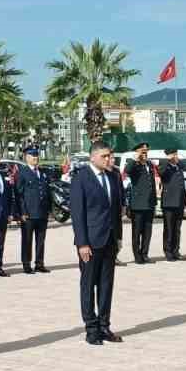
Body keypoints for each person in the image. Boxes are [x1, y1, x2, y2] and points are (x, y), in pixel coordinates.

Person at [71, 141, 124, 346]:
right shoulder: (81, 178)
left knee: (106, 285)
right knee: (88, 284)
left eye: (110, 155)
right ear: (92, 157)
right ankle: (91, 328)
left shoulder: (113, 176)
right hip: (90, 242)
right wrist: (82, 243)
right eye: (104, 156)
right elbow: (78, 214)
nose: (109, 159)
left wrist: (118, 237)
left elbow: (116, 210)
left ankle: (104, 325)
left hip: (109, 240)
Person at [14, 147, 49, 274]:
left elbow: (46, 192)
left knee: (41, 240)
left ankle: (39, 263)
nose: (36, 158)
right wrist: (22, 212)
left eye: (37, 156)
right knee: (27, 240)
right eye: (33, 156)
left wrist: (48, 210)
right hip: (28, 213)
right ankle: (26, 264)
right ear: (27, 158)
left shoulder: (42, 172)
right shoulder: (22, 173)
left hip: (42, 213)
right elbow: (19, 194)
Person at [124, 143, 156, 264]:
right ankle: (137, 256)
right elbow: (127, 171)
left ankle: (145, 254)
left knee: (148, 231)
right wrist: (135, 158)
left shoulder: (148, 164)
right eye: (142, 151)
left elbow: (151, 183)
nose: (145, 153)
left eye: (146, 151)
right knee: (137, 232)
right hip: (138, 204)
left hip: (149, 203)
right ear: (137, 152)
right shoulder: (134, 164)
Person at [157, 149, 186, 261]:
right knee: (169, 229)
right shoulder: (164, 165)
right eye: (173, 154)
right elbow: (161, 173)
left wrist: (184, 200)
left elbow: (185, 168)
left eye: (176, 154)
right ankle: (168, 251)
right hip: (169, 202)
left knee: (177, 229)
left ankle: (176, 250)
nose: (175, 156)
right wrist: (167, 160)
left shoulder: (178, 166)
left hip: (179, 202)